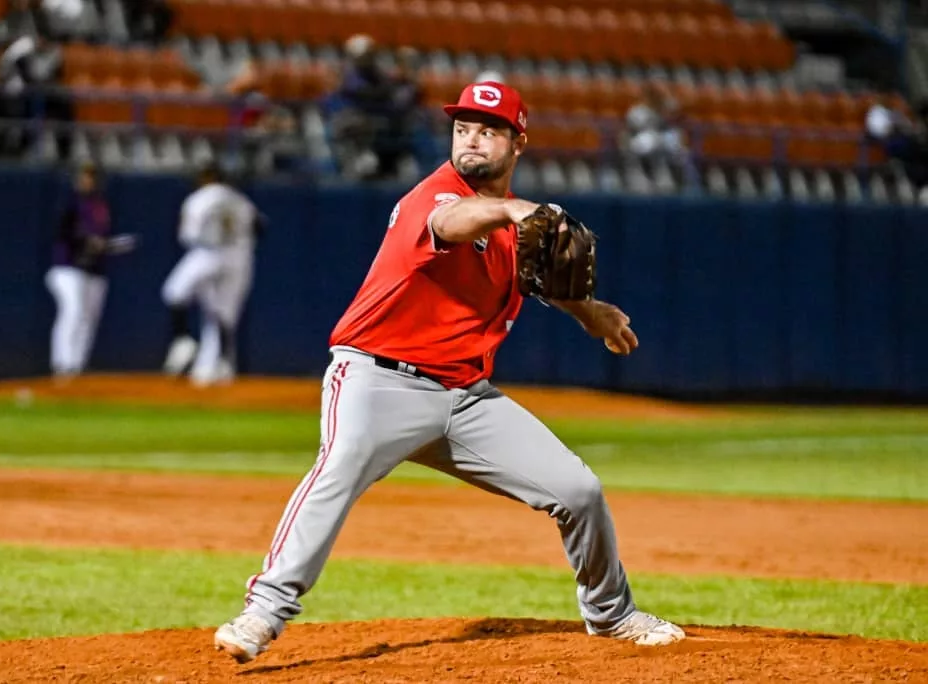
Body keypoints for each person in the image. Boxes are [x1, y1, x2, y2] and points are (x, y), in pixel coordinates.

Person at [213, 81, 686, 663]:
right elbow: (456, 222)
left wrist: (593, 313)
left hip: (465, 397)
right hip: (377, 381)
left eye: (488, 130)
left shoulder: (513, 230)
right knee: (335, 474)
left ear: (518, 143)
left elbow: (536, 276)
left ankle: (611, 615)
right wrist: (512, 208)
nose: (472, 140)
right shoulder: (435, 198)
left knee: (578, 491)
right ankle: (263, 612)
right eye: (464, 128)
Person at [161, 163, 262, 386]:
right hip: (239, 257)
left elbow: (188, 235)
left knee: (174, 292)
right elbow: (260, 226)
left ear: (206, 177)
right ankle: (220, 365)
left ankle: (183, 339)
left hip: (208, 253)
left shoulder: (199, 198)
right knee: (223, 314)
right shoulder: (239, 199)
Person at [45, 162, 113, 378]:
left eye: (92, 177)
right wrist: (87, 240)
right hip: (67, 268)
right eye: (84, 177)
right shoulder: (70, 203)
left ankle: (77, 366)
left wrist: (100, 245)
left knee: (88, 318)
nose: (88, 181)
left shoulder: (101, 206)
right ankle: (61, 363)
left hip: (94, 270)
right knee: (73, 310)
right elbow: (63, 231)